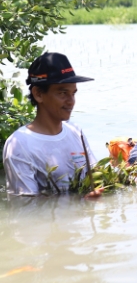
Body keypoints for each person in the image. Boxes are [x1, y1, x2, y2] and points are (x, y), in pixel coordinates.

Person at [3, 52, 98, 195]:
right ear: (38, 94)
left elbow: (96, 177)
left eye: (73, 93)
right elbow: (27, 207)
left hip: (78, 216)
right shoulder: (19, 145)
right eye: (62, 93)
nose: (71, 101)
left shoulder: (75, 132)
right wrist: (81, 204)